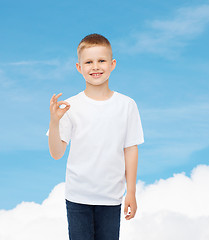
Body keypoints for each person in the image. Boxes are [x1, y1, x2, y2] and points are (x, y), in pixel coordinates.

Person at [46, 33, 144, 240]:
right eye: (88, 62)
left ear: (112, 64)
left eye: (101, 60)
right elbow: (56, 153)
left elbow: (131, 149)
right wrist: (54, 122)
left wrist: (132, 192)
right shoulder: (70, 107)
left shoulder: (127, 105)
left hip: (111, 197)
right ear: (79, 67)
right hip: (77, 197)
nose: (95, 66)